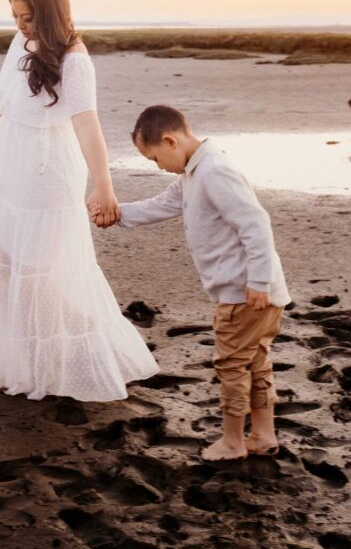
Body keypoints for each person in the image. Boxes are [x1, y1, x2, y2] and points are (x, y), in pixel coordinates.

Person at [0, 0, 159, 401]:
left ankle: (73, 360)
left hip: (47, 175)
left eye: (27, 18)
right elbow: (11, 95)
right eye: (14, 16)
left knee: (40, 272)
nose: (19, 26)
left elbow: (87, 125)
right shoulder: (23, 44)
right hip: (11, 168)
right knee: (9, 262)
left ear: (49, 14)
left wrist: (104, 186)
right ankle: (33, 361)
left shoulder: (75, 60)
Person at [90, 104, 291, 460]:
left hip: (246, 293)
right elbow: (160, 206)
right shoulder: (193, 174)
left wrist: (258, 281)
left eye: (154, 158)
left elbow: (255, 223)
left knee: (231, 365)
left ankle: (232, 442)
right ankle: (262, 435)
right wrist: (113, 215)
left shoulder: (214, 171)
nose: (157, 166)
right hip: (253, 292)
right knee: (256, 361)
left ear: (170, 140)